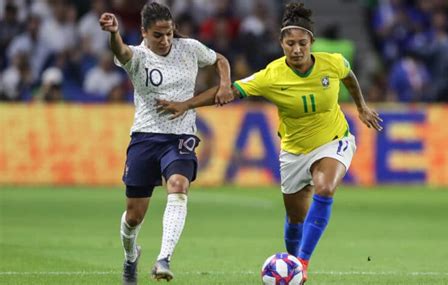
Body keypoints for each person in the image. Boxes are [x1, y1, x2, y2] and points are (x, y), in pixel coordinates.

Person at [155, 3, 383, 283]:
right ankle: (294, 269)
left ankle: (302, 263)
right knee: (295, 220)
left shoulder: (332, 62)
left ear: (311, 41)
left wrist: (361, 107)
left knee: (325, 187)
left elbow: (349, 76)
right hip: (294, 151)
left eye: (302, 43)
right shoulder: (271, 76)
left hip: (334, 140)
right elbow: (230, 90)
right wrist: (187, 104)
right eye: (290, 43)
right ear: (281, 43)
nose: (297, 49)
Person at [99, 2, 232, 284]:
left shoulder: (190, 48)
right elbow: (120, 50)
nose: (165, 40)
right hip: (146, 136)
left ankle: (164, 258)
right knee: (134, 216)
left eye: (169, 33)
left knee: (179, 186)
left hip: (181, 136)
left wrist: (224, 84)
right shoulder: (137, 56)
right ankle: (130, 255)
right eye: (158, 35)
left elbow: (220, 59)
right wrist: (113, 33)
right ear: (144, 32)